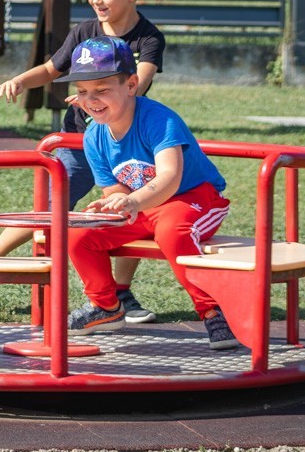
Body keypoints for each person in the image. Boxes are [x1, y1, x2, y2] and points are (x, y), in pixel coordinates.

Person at [0, 0, 166, 323]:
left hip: (125, 144)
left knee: (129, 208)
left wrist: (97, 93)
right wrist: (21, 79)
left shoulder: (147, 38)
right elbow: (52, 68)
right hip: (80, 142)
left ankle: (120, 293)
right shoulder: (83, 31)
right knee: (54, 207)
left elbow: (141, 81)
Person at [57, 35, 239, 350]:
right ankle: (107, 307)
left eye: (101, 90)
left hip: (194, 197)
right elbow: (116, 188)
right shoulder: (93, 136)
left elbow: (169, 176)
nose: (92, 99)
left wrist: (133, 201)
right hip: (143, 206)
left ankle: (213, 311)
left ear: (131, 85)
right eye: (82, 92)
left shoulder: (159, 119)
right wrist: (114, 203)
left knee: (172, 232)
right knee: (79, 234)